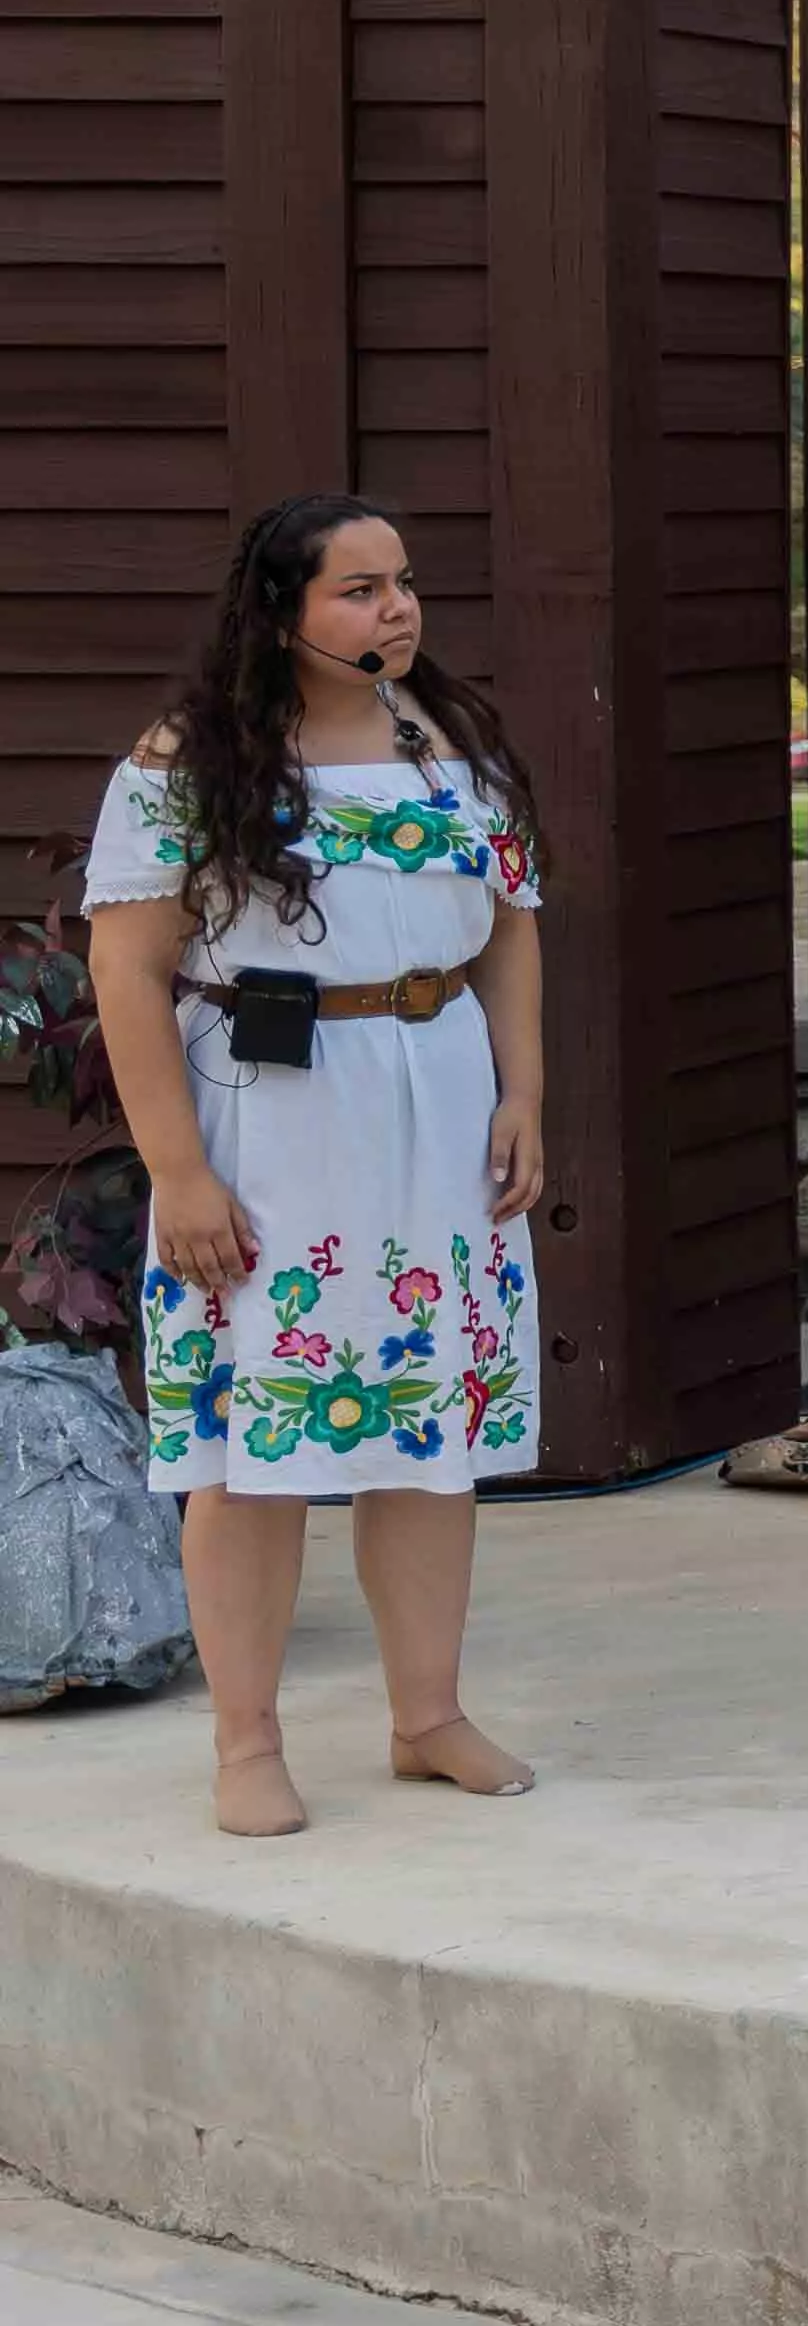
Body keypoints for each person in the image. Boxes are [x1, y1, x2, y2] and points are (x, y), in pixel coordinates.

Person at [77, 496, 549, 1839]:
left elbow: (511, 925)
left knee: (426, 1430)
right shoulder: (191, 759)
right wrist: (179, 1171)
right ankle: (246, 1742)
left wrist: (525, 1091)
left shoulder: (454, 744)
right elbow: (128, 966)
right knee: (250, 1442)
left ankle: (427, 1717)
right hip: (270, 1117)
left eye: (402, 582)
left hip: (435, 1097)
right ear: (280, 611)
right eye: (357, 589)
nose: (394, 608)